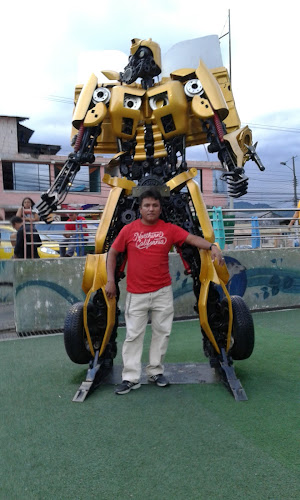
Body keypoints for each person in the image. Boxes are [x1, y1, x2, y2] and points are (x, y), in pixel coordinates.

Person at [105, 189, 224, 395]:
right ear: (140, 209)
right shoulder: (128, 230)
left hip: (162, 291)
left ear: (160, 208)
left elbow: (192, 239)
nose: (151, 209)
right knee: (133, 335)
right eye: (147, 206)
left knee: (162, 333)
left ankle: (155, 371)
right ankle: (131, 377)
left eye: (155, 205)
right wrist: (110, 280)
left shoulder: (169, 229)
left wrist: (212, 246)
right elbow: (113, 253)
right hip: (136, 293)